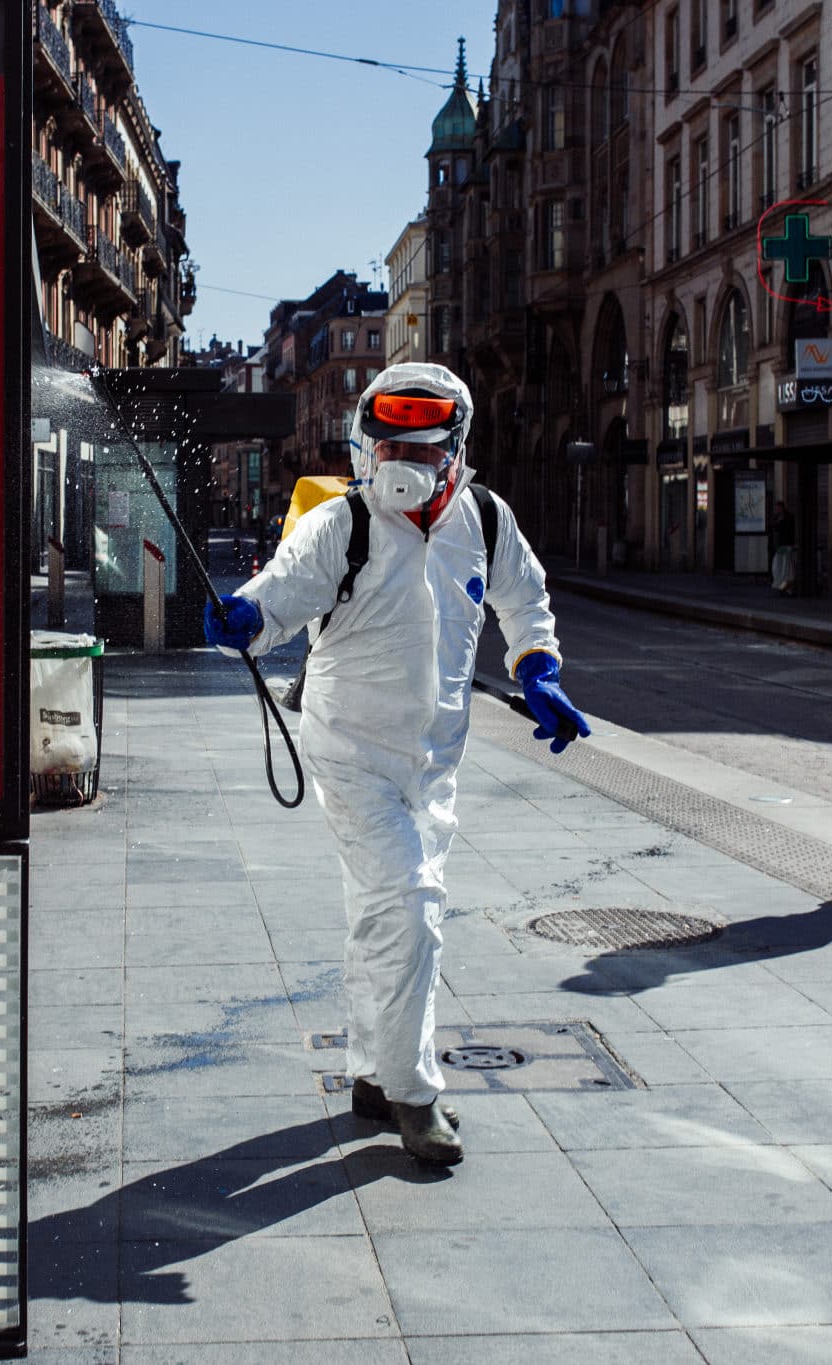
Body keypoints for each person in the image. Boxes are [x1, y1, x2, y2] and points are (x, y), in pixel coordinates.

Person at [202, 362, 589, 1165]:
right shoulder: (342, 524)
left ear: (455, 445)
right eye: (390, 444)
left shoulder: (484, 516)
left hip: (434, 758)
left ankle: (370, 1074)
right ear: (366, 445)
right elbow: (283, 591)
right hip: (348, 749)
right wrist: (245, 616)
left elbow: (524, 599)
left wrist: (538, 666)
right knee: (411, 909)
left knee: (382, 913)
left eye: (421, 444)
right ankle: (416, 1094)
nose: (403, 462)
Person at [768, 499, 798, 594]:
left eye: (778, 508)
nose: (777, 510)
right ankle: (782, 586)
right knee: (778, 567)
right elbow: (773, 525)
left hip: (786, 546)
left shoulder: (787, 518)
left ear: (782, 508)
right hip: (780, 547)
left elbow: (783, 529)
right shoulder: (778, 517)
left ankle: (786, 587)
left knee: (786, 568)